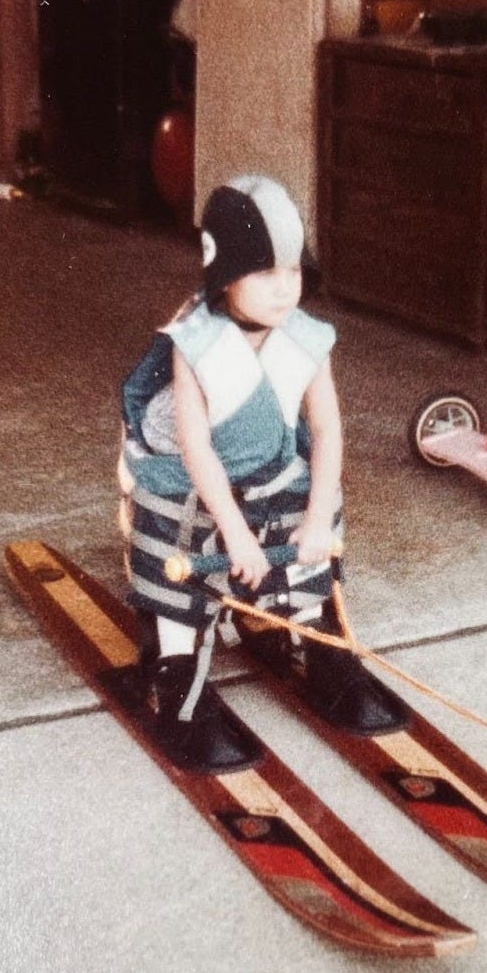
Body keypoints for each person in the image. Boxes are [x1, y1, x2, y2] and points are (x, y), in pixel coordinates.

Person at [118, 174, 403, 773]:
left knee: (306, 495)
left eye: (294, 272)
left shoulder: (306, 340)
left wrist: (321, 516)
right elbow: (195, 449)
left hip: (268, 472)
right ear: (223, 275)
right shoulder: (194, 344)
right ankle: (175, 664)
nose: (284, 290)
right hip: (193, 484)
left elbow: (325, 430)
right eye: (266, 273)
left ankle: (308, 630)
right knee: (182, 532)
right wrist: (238, 536)